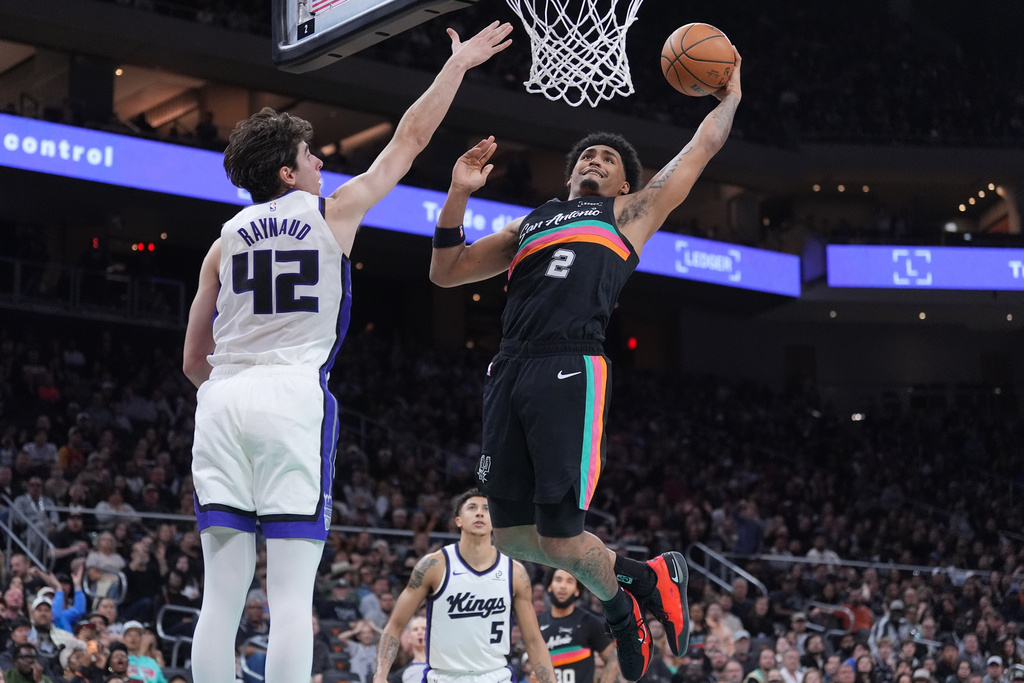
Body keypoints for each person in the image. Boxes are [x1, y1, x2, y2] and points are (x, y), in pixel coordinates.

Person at [180, 20, 513, 683]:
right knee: (289, 596)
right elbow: (409, 140)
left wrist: (230, 389)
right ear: (286, 170)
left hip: (220, 400)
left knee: (220, 593)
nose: (322, 163)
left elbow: (194, 358)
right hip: (290, 397)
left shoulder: (223, 240)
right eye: (311, 156)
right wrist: (459, 64)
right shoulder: (332, 211)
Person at [427, 43, 742, 683]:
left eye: (608, 159)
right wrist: (458, 195)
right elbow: (445, 272)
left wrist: (730, 98)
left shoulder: (630, 214)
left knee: (562, 533)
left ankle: (630, 604)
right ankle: (636, 589)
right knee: (514, 536)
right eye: (586, 158)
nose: (595, 160)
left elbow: (699, 151)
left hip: (569, 364)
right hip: (507, 367)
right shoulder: (529, 224)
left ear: (624, 182)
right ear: (569, 176)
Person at [371, 490, 556, 683]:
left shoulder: (515, 572)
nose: (479, 513)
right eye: (472, 508)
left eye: (486, 509)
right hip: (444, 677)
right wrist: (380, 676)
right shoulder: (434, 566)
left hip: (496, 677)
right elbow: (396, 624)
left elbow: (534, 640)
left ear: (495, 520)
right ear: (458, 520)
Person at [537, 568, 619, 683]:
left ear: (577, 590)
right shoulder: (537, 622)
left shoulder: (588, 622)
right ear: (550, 586)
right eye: (558, 580)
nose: (563, 586)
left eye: (569, 581)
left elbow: (612, 660)